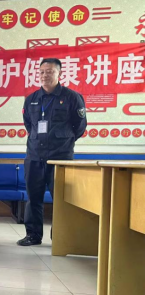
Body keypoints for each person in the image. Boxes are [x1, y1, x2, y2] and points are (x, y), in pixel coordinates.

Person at [18, 58, 88, 247]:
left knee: (60, 200)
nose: (44, 75)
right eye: (41, 72)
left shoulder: (72, 97)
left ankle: (59, 237)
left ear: (59, 73)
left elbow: (80, 126)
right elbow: (29, 125)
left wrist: (62, 141)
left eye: (49, 71)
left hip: (60, 158)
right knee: (33, 198)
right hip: (34, 156)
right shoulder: (31, 99)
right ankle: (33, 235)